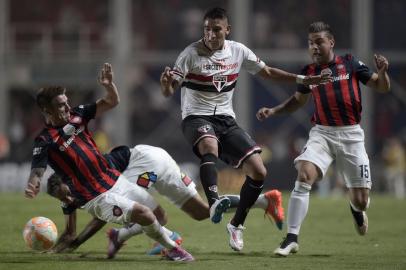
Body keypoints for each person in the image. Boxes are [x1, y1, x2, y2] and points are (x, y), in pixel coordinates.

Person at [159, 7, 331, 252]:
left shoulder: (238, 51)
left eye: (216, 29)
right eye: (206, 29)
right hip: (196, 117)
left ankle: (236, 225)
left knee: (259, 171)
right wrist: (166, 85)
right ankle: (215, 202)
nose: (210, 34)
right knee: (210, 146)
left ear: (227, 30)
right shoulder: (190, 54)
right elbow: (169, 89)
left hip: (226, 120)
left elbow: (269, 72)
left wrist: (302, 80)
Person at [24, 63, 194, 262]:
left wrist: (109, 85)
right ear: (47, 109)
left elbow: (112, 101)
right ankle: (173, 250)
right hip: (95, 196)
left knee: (159, 215)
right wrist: (33, 184)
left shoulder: (78, 114)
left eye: (67, 102)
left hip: (115, 180)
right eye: (61, 105)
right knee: (145, 214)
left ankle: (118, 236)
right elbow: (37, 170)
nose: (68, 107)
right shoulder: (45, 140)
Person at [256, 21, 390, 256]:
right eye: (310, 43)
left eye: (319, 42)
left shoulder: (350, 63)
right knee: (304, 175)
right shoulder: (309, 72)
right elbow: (297, 101)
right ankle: (291, 238)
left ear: (331, 42)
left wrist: (384, 72)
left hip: (351, 135)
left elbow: (381, 87)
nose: (314, 47)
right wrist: (274, 111)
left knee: (360, 201)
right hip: (322, 133)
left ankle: (355, 208)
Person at [47, 144, 284, 257]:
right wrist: (67, 239)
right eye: (63, 197)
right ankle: (265, 201)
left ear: (69, 178)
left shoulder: (93, 172)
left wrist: (77, 242)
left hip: (144, 162)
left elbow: (100, 214)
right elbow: (70, 224)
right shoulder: (71, 192)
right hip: (160, 157)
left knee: (135, 209)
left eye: (66, 192)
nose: (68, 198)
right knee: (203, 212)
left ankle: (158, 239)